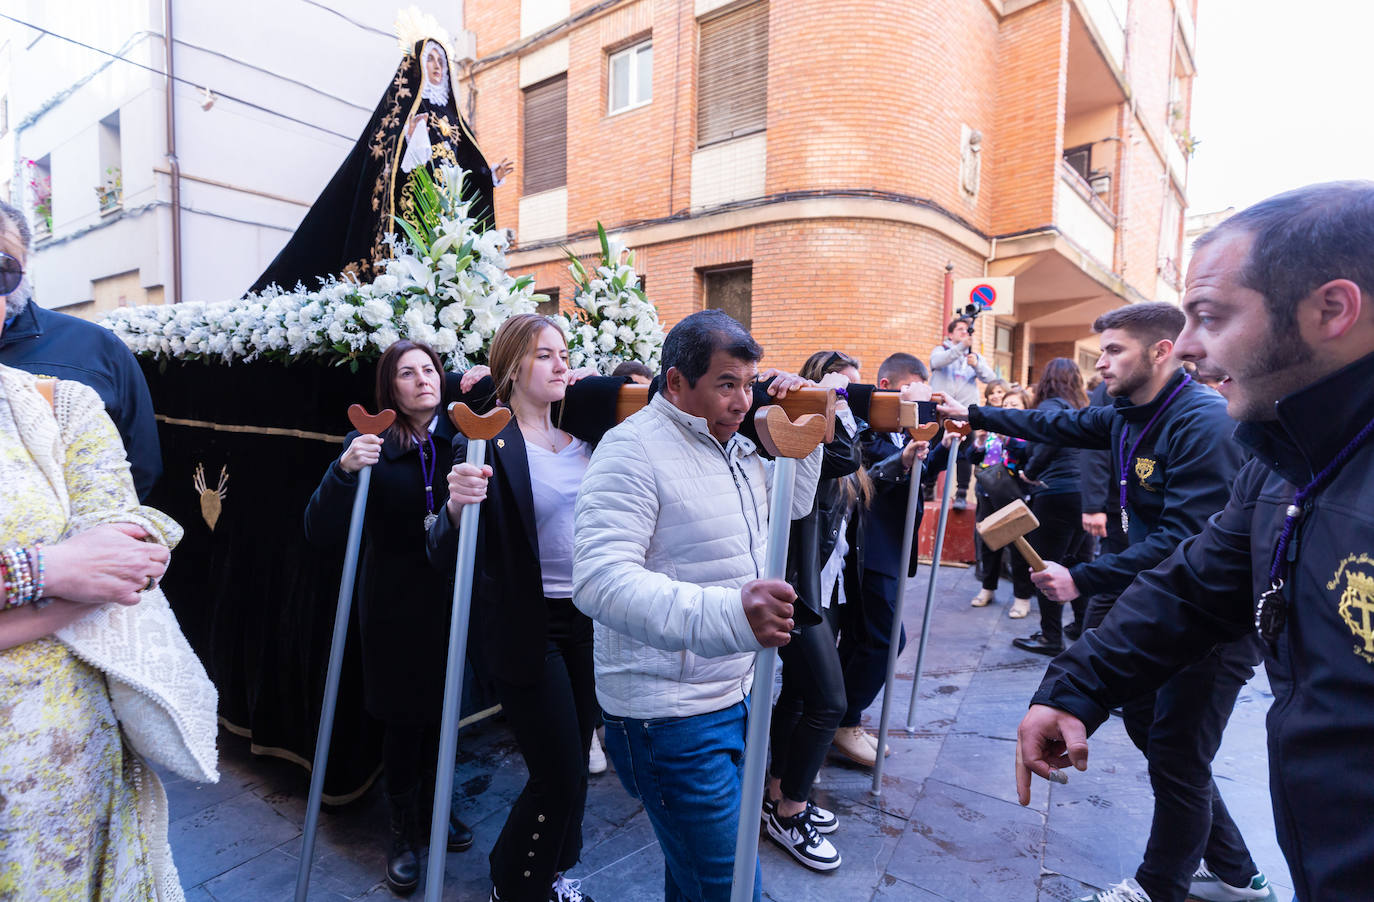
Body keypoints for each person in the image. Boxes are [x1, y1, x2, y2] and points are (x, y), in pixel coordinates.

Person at [1015, 182, 1374, 902]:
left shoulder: (1216, 427)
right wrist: (1077, 686)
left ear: (1331, 309)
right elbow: (1194, 582)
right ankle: (1237, 873)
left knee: (1179, 758)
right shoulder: (1282, 457)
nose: (1188, 347)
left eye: (1211, 316)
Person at [940, 302, 1270, 902]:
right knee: (1153, 732)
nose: (1103, 365)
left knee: (1176, 752)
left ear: (1161, 351)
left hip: (1209, 616)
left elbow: (1188, 542)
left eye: (1115, 350)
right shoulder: (1123, 414)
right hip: (1150, 598)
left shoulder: (1204, 423)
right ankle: (1235, 869)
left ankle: (1159, 886)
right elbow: (1057, 426)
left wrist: (1083, 580)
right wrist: (973, 414)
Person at [573, 309, 820, 902]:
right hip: (668, 716)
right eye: (726, 384)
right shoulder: (631, 450)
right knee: (734, 889)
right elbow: (600, 580)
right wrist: (733, 615)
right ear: (677, 382)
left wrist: (802, 429)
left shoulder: (733, 449)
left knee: (696, 882)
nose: (742, 401)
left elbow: (794, 507)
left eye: (749, 384)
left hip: (735, 694)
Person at [0, 232, 215, 895]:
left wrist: (86, 569)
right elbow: (83, 570)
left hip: (64, 765)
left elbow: (124, 542)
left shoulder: (64, 395)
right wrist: (47, 571)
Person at [432, 314, 606, 902]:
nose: (562, 364)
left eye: (565, 353)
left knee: (574, 763)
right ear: (513, 367)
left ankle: (550, 871)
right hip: (527, 626)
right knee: (558, 773)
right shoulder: (486, 440)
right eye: (546, 355)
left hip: (588, 618)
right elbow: (444, 549)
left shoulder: (586, 437)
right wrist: (456, 510)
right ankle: (514, 883)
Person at [304, 340, 476, 895]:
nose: (423, 379)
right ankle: (402, 827)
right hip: (396, 600)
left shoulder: (463, 439)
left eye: (430, 369)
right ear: (390, 387)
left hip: (449, 596)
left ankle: (435, 804)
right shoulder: (371, 443)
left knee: (443, 709)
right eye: (408, 372)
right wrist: (343, 469)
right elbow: (319, 528)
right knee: (404, 719)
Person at [250, 35, 512, 292]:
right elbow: (384, 158)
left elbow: (464, 166)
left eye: (441, 61)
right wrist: (410, 141)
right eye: (429, 59)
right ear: (416, 66)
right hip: (412, 208)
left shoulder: (454, 117)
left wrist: (488, 177)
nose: (436, 66)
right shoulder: (403, 112)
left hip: (446, 214)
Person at [761, 349, 866, 872]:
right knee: (828, 700)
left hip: (814, 584)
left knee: (803, 697)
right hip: (794, 588)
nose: (849, 401)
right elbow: (847, 454)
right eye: (839, 390)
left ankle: (779, 793)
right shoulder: (790, 425)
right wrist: (826, 399)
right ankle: (791, 812)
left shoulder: (811, 428)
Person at [0, 202, 161, 500]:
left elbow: (140, 465)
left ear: (24, 265)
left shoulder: (97, 348)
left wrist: (82, 538)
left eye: (1, 267)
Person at [830, 352, 940, 766]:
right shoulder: (865, 425)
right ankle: (844, 720)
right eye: (913, 388)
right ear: (891, 385)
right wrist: (905, 457)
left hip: (892, 546)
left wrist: (945, 440)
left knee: (864, 638)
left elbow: (924, 469)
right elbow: (865, 477)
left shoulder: (902, 428)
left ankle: (836, 717)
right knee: (886, 637)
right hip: (867, 548)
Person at [1005, 358, 1090, 654]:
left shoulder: (1051, 407)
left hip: (1057, 493)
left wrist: (1032, 469)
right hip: (1084, 495)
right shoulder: (1080, 407)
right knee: (1079, 562)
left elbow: (1049, 441)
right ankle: (1082, 625)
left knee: (1044, 565)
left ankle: (1050, 637)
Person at [967, 385, 1034, 616]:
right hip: (988, 492)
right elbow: (973, 457)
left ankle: (1022, 597)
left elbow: (1026, 455)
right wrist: (978, 442)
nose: (1008, 409)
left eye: (1014, 405)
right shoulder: (992, 430)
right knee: (988, 542)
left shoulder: (1028, 431)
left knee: (1019, 547)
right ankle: (987, 588)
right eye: (1005, 405)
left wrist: (1007, 437)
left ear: (1026, 408)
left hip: (1014, 494)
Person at [930, 317, 998, 509]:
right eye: (959, 329)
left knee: (964, 454)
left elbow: (992, 380)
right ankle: (928, 487)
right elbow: (936, 362)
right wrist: (960, 348)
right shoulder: (941, 350)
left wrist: (976, 364)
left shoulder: (974, 356)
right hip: (939, 411)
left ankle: (961, 493)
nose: (963, 332)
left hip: (965, 414)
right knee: (932, 446)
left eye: (966, 330)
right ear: (950, 334)